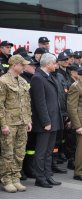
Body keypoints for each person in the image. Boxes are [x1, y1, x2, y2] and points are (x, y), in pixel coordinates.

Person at [31, 53, 63, 188]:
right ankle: (40, 177)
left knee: (49, 151)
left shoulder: (50, 76)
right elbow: (40, 103)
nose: (56, 65)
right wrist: (46, 121)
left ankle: (47, 175)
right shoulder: (38, 78)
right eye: (55, 63)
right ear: (48, 64)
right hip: (46, 122)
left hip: (54, 120)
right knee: (41, 152)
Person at [0, 55, 31, 193]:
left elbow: (27, 103)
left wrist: (28, 120)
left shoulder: (23, 82)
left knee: (19, 152)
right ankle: (6, 180)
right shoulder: (3, 81)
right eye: (22, 64)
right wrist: (3, 124)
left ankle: (15, 178)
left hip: (22, 122)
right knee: (8, 153)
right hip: (9, 123)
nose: (25, 66)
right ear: (14, 65)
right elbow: (0, 105)